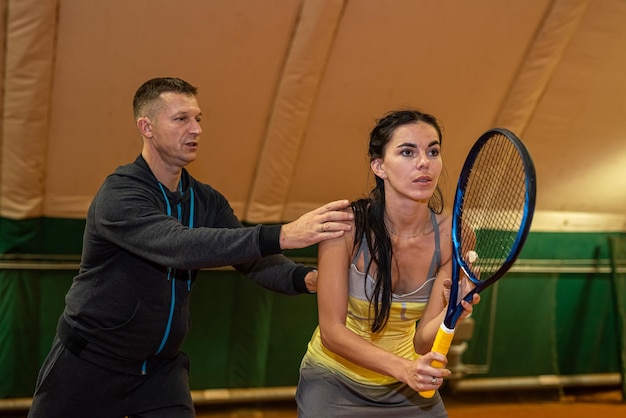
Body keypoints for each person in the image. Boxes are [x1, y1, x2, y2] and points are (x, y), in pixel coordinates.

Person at [27, 77, 353, 418]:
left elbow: (253, 260)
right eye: (181, 119)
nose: (196, 129)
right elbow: (180, 246)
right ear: (147, 127)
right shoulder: (120, 195)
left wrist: (310, 279)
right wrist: (284, 233)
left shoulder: (206, 200)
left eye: (198, 119)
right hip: (89, 362)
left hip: (159, 371)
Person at [295, 110, 480, 417]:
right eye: (408, 152)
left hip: (408, 383)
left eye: (432, 151)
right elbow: (332, 332)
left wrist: (456, 310)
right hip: (333, 380)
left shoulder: (455, 236)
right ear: (379, 166)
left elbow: (423, 341)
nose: (424, 162)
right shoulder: (345, 227)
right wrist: (403, 369)